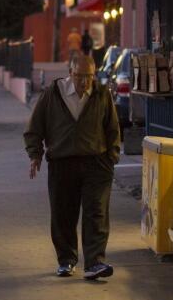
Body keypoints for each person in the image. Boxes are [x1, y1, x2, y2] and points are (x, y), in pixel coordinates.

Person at [24, 54, 121, 280]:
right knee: (63, 214)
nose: (85, 82)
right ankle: (66, 260)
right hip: (62, 162)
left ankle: (95, 263)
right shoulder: (53, 94)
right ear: (70, 73)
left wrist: (112, 158)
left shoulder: (101, 94)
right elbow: (35, 127)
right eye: (80, 76)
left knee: (96, 212)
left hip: (96, 162)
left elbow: (113, 128)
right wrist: (35, 154)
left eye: (89, 76)